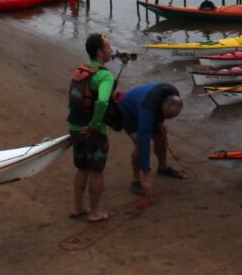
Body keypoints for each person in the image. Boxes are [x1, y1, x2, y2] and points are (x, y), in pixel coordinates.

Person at [67, 33, 115, 223]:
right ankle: (95, 212)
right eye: (108, 48)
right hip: (93, 131)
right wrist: (94, 125)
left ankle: (77, 207)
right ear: (100, 52)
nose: (111, 51)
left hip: (74, 126)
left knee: (82, 169)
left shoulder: (80, 70)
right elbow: (102, 101)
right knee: (96, 171)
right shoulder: (105, 76)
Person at [119, 83, 185, 196]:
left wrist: (160, 122)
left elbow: (161, 111)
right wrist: (146, 172)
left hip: (149, 105)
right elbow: (144, 142)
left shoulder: (174, 94)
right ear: (163, 107)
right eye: (168, 116)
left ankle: (163, 168)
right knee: (140, 145)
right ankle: (136, 179)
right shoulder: (147, 112)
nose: (170, 119)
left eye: (173, 117)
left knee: (161, 137)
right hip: (128, 109)